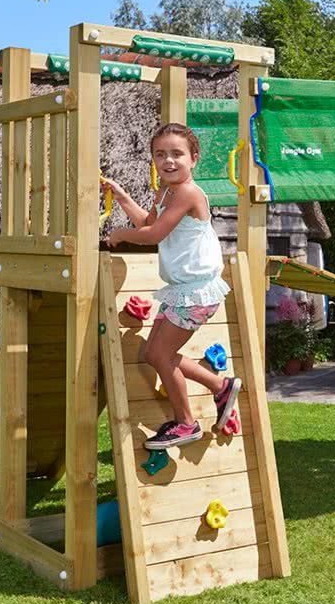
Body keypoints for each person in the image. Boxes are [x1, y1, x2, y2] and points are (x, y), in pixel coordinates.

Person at [101, 123, 240, 450]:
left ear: (194, 158)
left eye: (177, 154)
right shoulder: (166, 192)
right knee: (153, 353)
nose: (169, 161)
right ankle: (220, 385)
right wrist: (122, 198)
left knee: (161, 354)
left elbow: (153, 236)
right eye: (160, 155)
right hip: (181, 290)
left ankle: (186, 424)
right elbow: (147, 223)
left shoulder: (189, 193)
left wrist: (120, 235)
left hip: (197, 291)